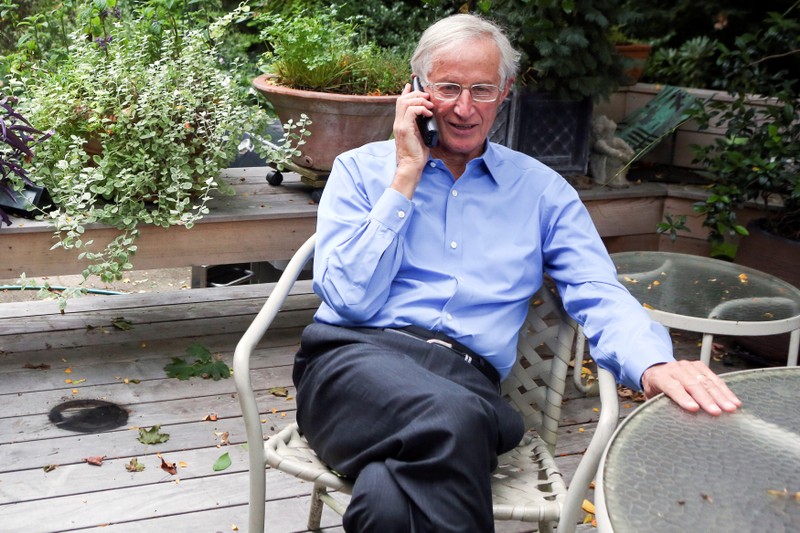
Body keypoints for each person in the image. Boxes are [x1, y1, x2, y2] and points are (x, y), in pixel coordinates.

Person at [292, 13, 741, 532]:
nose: (464, 108)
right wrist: (405, 176)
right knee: (455, 422)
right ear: (415, 92)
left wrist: (651, 363)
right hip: (352, 367)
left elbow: (595, 288)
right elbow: (348, 300)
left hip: (466, 383)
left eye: (482, 89)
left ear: (505, 92)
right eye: (448, 88)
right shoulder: (360, 171)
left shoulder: (544, 192)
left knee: (389, 506)